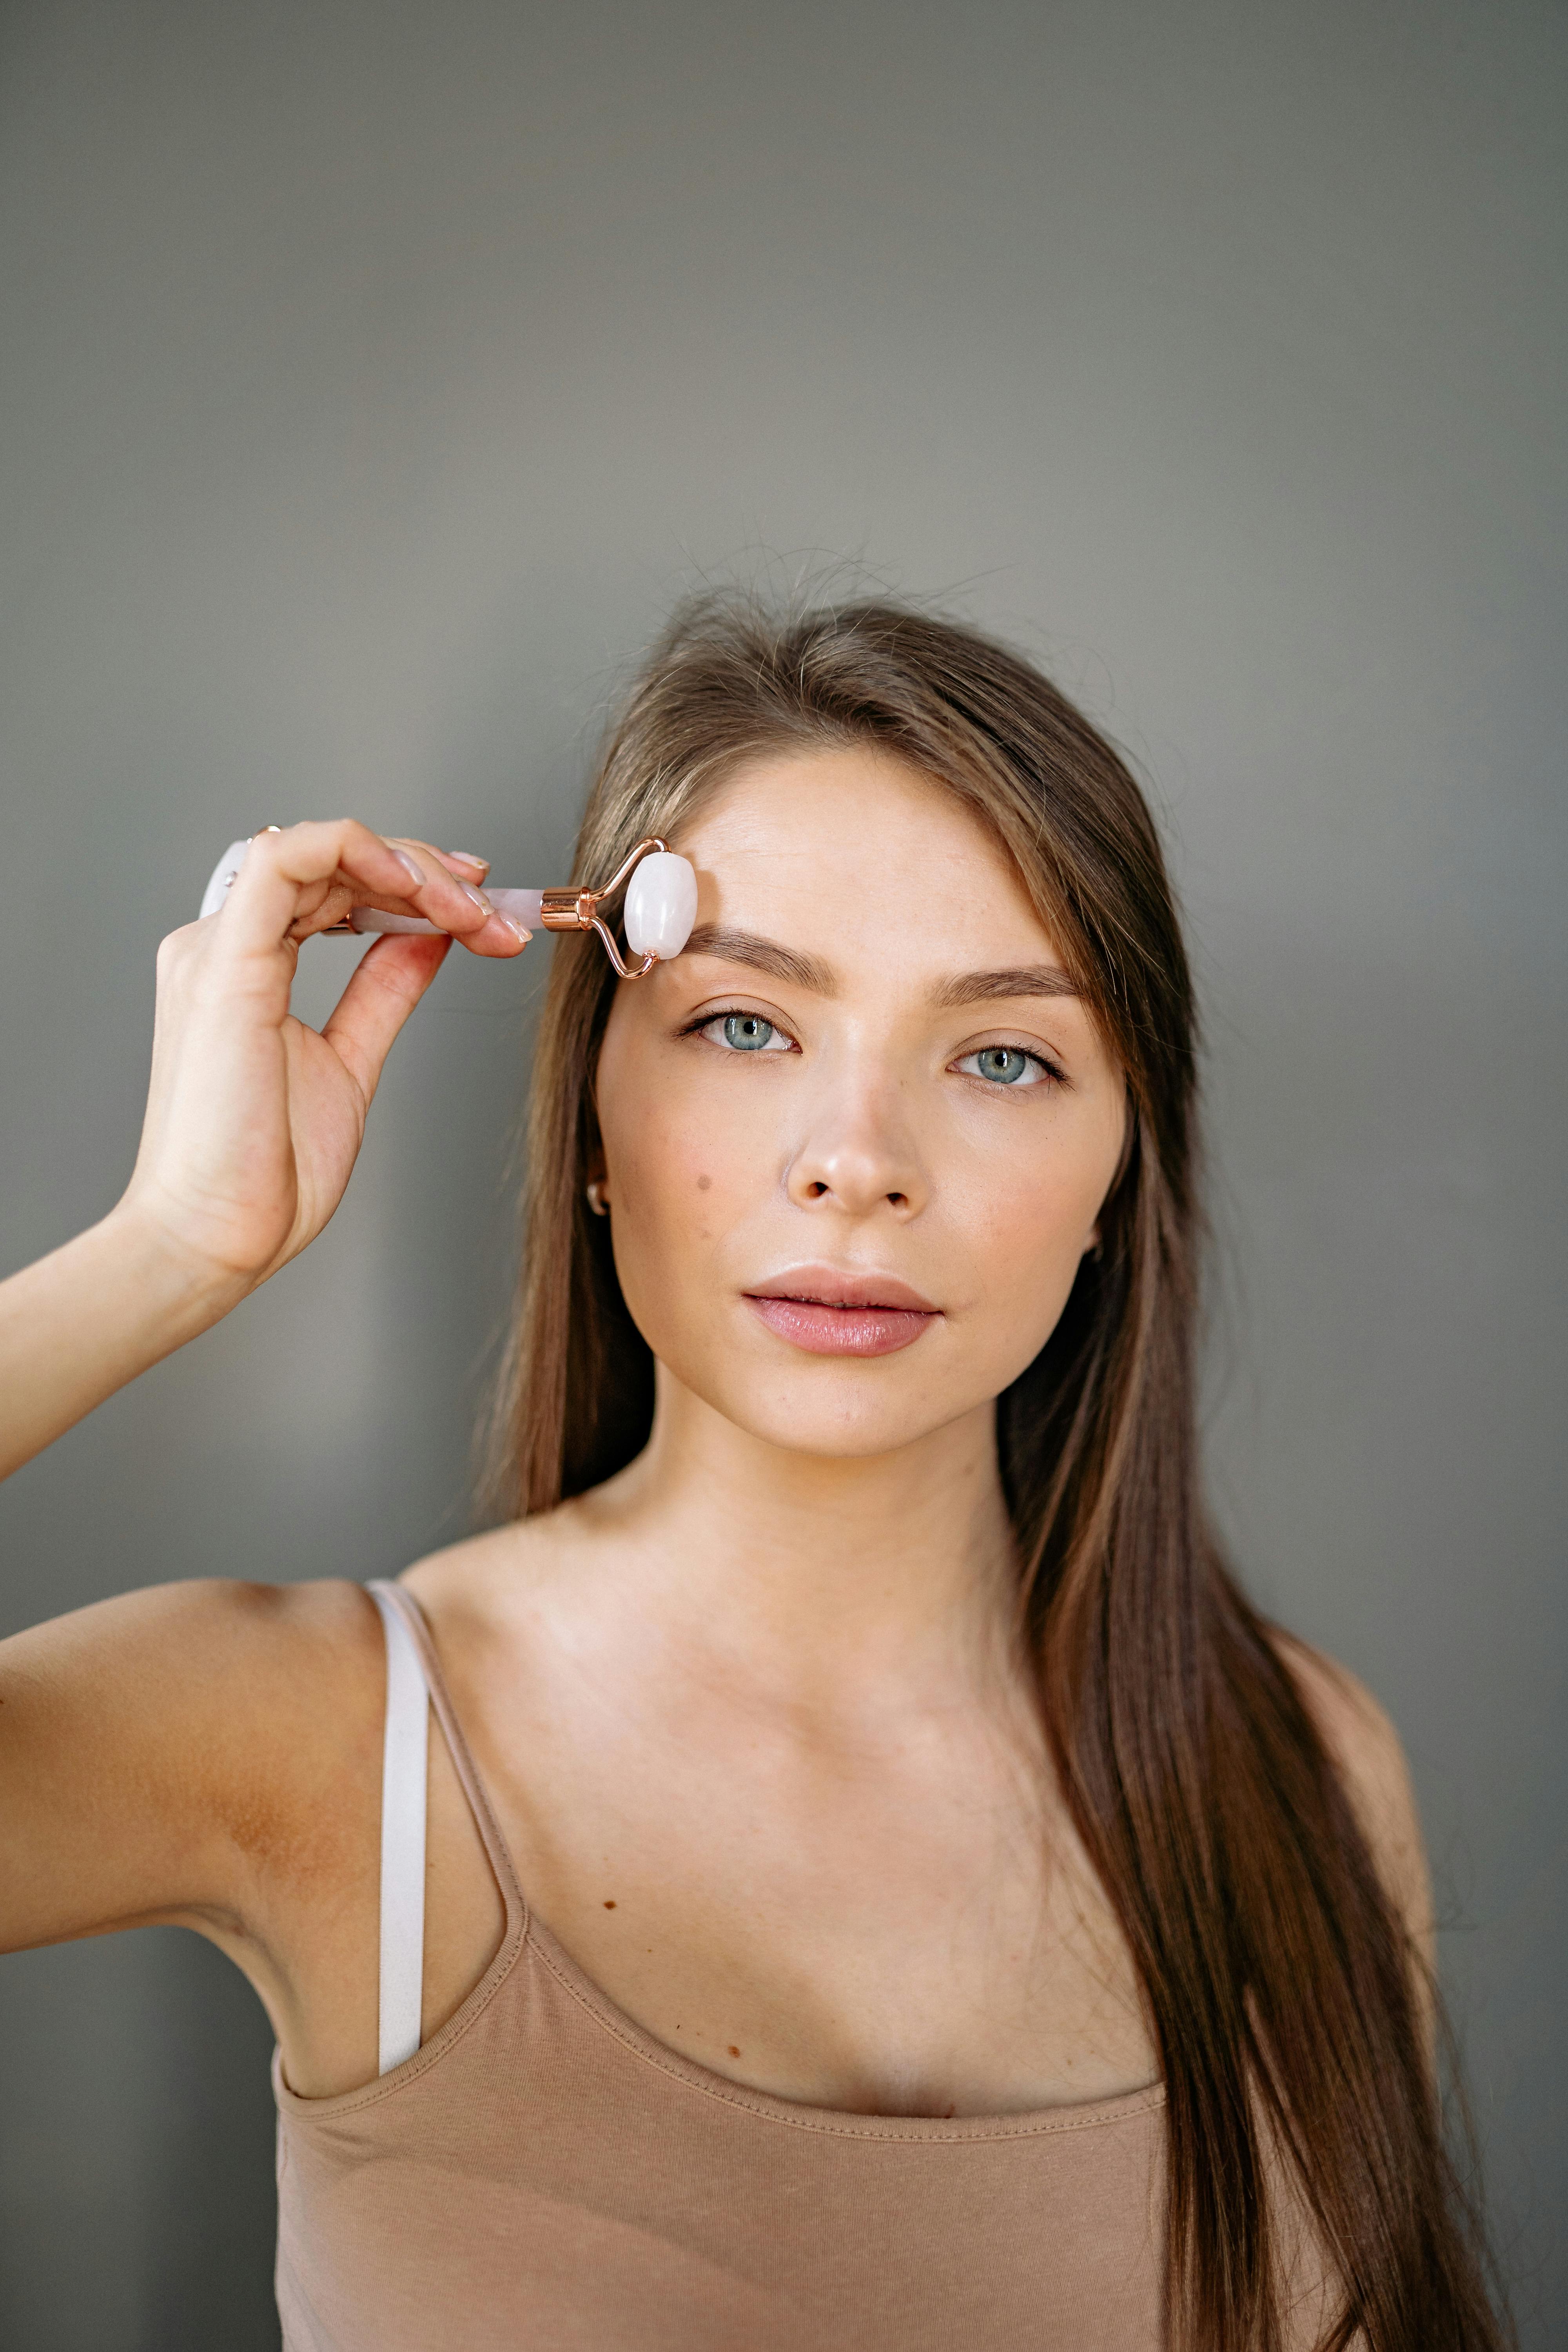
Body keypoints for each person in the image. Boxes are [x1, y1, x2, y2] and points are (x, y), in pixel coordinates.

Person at [0, 598, 1504, 2351]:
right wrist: (169, 1247)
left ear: (1118, 1179)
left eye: (1003, 1055)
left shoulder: (1307, 1772)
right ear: (591, 1124)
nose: (854, 1164)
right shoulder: (320, 1740)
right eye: (743, 1025)